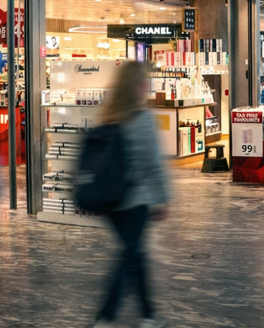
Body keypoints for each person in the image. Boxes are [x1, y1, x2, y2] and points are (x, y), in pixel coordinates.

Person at [95, 61, 171, 328]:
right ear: (139, 85)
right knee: (129, 256)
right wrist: (163, 198)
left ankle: (148, 313)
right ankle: (105, 317)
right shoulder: (143, 118)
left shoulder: (109, 116)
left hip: (111, 200)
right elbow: (153, 163)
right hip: (135, 200)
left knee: (134, 253)